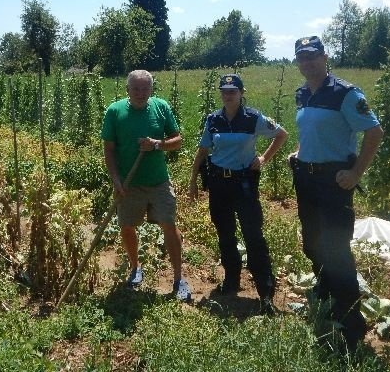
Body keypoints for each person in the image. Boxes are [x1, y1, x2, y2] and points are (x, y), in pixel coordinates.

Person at [289, 36, 383, 353]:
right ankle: (326, 292)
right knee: (311, 241)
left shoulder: (346, 93)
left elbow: (375, 131)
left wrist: (356, 173)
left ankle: (351, 325)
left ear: (325, 58)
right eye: (302, 58)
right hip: (306, 178)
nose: (308, 63)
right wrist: (299, 152)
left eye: (313, 57)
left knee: (337, 249)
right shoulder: (302, 93)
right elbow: (310, 132)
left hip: (334, 181)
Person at [189, 73, 288, 314]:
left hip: (244, 184)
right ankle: (231, 281)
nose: (228, 95)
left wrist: (263, 158)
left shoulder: (253, 118)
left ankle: (265, 292)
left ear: (241, 93)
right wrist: (192, 179)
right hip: (219, 184)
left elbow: (281, 134)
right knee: (225, 234)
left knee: (253, 235)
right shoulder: (213, 119)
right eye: (224, 90)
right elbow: (203, 150)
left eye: (233, 91)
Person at [101, 69, 192, 301]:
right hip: (128, 184)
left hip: (158, 181)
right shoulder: (115, 112)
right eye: (136, 88)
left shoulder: (161, 107)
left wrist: (156, 145)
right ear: (127, 90)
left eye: (145, 88)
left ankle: (179, 278)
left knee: (168, 224)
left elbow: (178, 141)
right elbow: (109, 150)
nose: (140, 93)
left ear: (151, 89)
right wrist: (116, 179)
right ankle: (135, 267)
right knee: (127, 226)